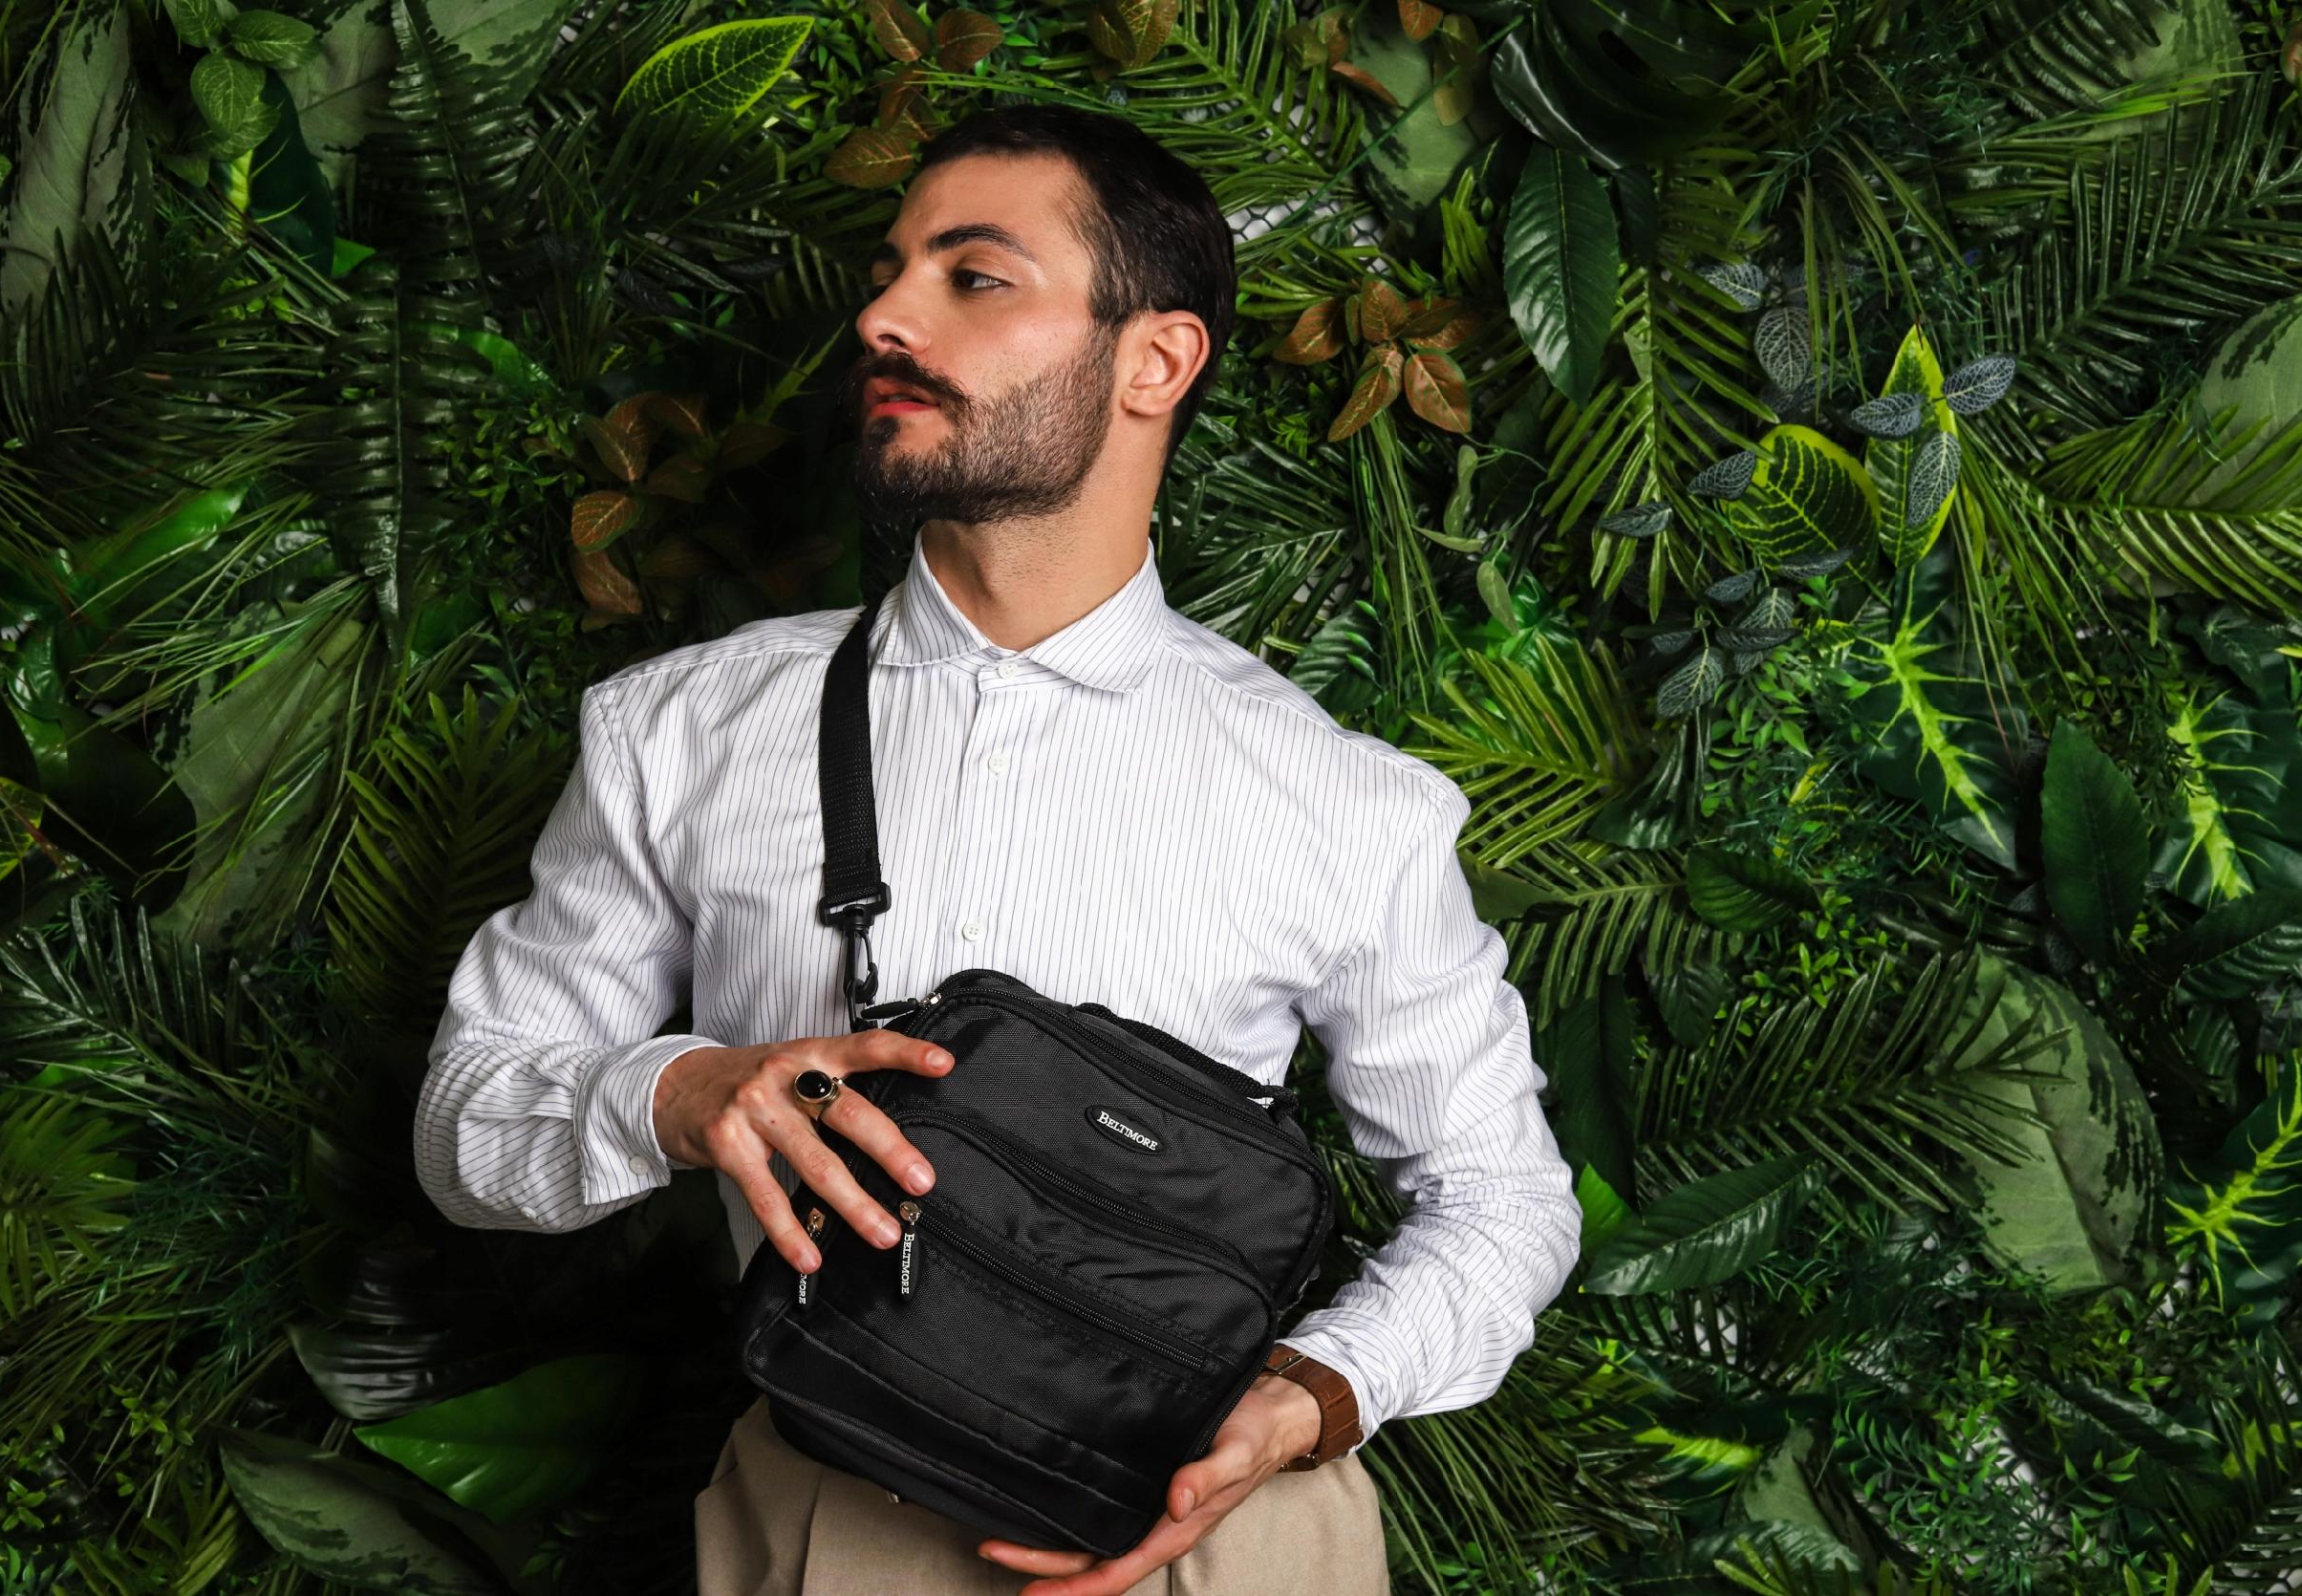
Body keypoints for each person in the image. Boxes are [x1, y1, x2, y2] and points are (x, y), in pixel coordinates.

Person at [417, 102, 1583, 1596]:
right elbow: (464, 1127)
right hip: (835, 1520)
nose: (884, 319)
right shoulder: (681, 729)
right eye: (890, 272)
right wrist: (684, 1094)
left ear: (1154, 360)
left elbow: (1501, 1196)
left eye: (973, 276)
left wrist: (1311, 1394)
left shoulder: (1346, 800)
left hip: (1218, 1533)